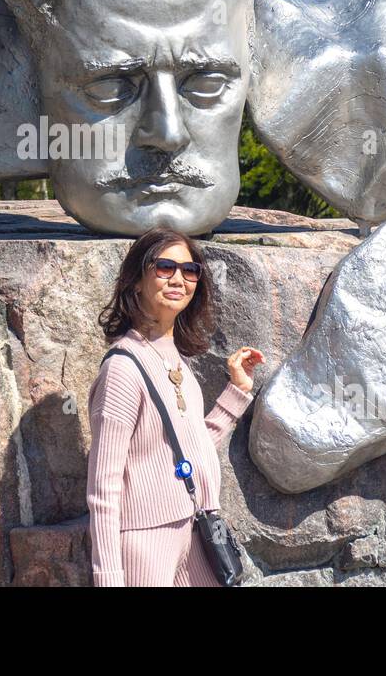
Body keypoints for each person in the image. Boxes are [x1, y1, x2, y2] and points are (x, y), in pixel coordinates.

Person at [86, 226, 264, 586]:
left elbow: (188, 449)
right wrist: (108, 578)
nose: (179, 278)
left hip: (196, 530)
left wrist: (236, 392)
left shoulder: (178, 362)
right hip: (145, 541)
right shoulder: (122, 367)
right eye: (164, 267)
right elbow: (103, 489)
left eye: (190, 270)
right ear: (137, 280)